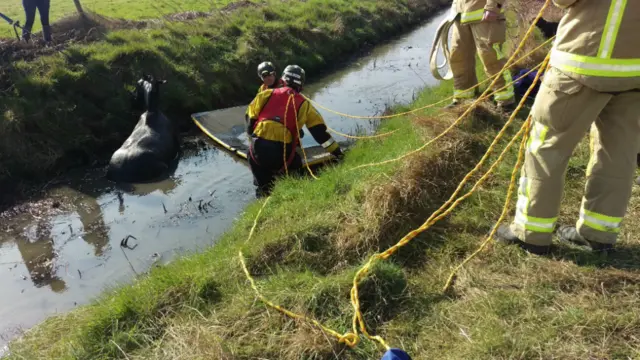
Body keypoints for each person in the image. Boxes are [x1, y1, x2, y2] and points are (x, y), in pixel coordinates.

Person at [496, 0, 640, 254]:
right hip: (634, 71)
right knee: (618, 151)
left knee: (547, 146)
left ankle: (531, 232)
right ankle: (598, 234)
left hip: (581, 62)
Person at [245, 64, 344, 197]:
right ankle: (296, 198)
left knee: (264, 190)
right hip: (283, 154)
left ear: (283, 80)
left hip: (256, 152)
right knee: (296, 180)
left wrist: (253, 141)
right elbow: (320, 135)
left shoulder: (265, 94)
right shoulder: (304, 104)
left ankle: (264, 204)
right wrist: (338, 153)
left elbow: (249, 119)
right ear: (301, 85)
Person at [447, 0, 515, 112]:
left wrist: (494, 6)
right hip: (460, 13)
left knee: (491, 58)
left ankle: (505, 102)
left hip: (485, 13)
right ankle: (463, 98)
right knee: (459, 57)